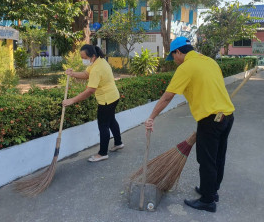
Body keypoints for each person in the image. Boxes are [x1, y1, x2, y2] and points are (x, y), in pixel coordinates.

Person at [144, 37, 235, 213]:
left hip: (211, 120)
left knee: (206, 160)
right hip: (227, 116)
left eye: (173, 57)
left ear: (178, 52)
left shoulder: (186, 67)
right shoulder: (209, 61)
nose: (175, 61)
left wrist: (151, 117)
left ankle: (208, 201)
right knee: (218, 157)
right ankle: (212, 191)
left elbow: (167, 96)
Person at [62, 44, 124, 162]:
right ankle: (118, 143)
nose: (83, 60)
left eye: (84, 58)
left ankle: (102, 153)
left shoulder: (97, 68)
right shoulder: (98, 62)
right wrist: (72, 73)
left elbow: (90, 90)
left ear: (92, 56)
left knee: (103, 126)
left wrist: (72, 100)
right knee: (111, 121)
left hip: (106, 100)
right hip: (113, 96)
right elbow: (86, 74)